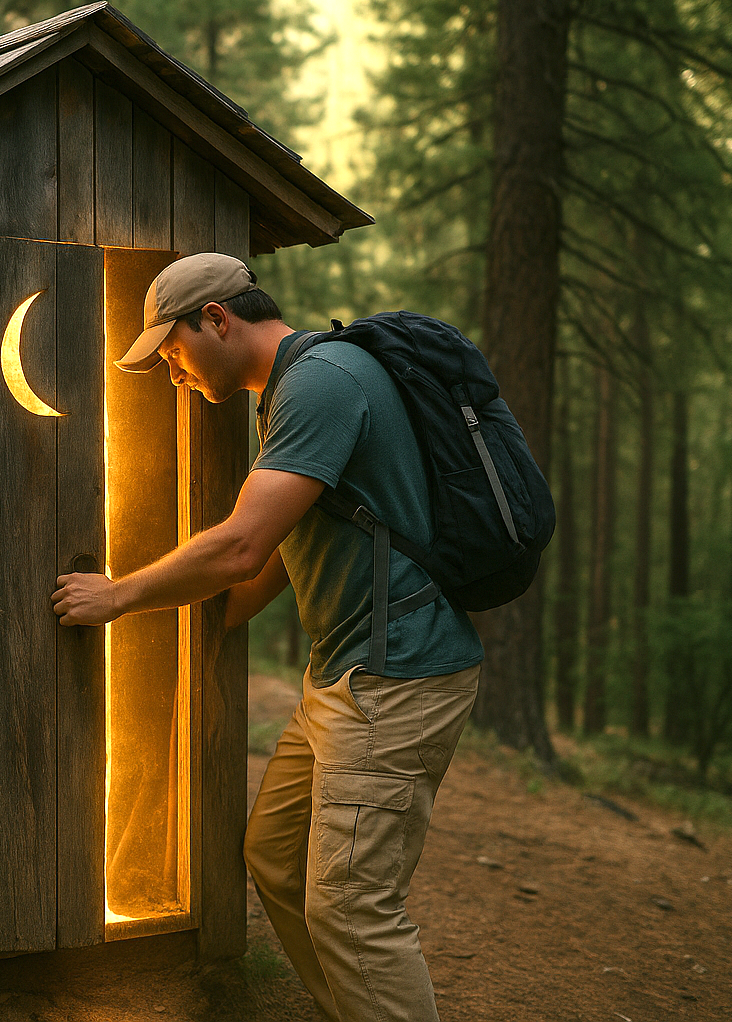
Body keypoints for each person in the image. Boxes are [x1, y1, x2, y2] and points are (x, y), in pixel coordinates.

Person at [51, 252, 484, 1022]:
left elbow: (243, 545)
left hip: (395, 679)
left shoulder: (321, 383)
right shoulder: (292, 390)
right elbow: (288, 549)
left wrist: (120, 596)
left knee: (354, 909)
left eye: (174, 352)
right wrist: (197, 620)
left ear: (217, 319)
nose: (174, 375)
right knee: (277, 858)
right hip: (347, 674)